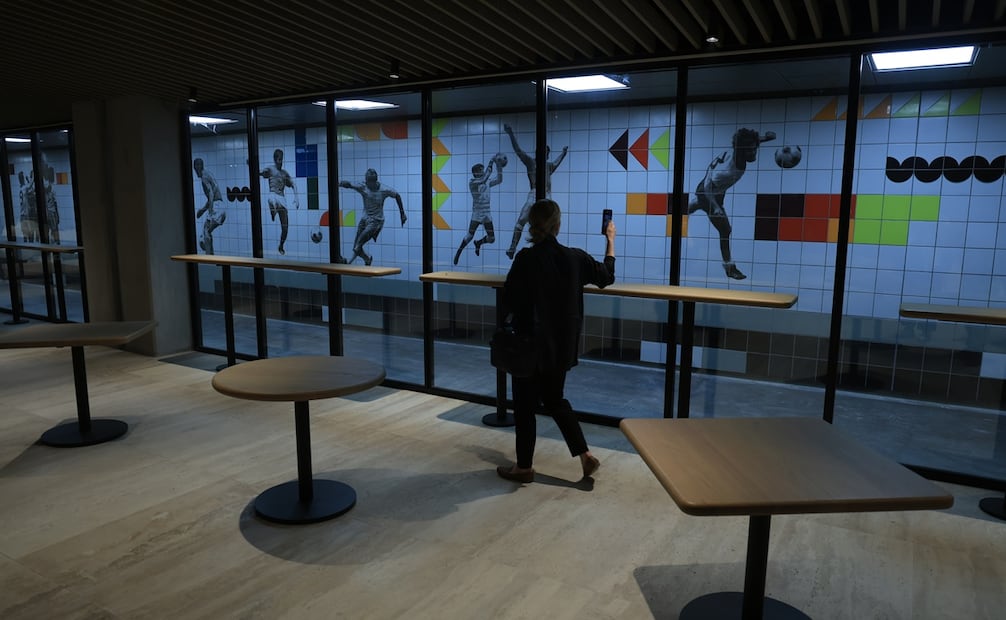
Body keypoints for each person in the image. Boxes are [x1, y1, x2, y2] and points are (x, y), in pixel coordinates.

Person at [496, 198, 616, 483]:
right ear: (558, 225)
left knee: (525, 407)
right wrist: (610, 239)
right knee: (555, 400)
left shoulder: (525, 259)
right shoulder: (575, 258)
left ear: (532, 226)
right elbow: (607, 276)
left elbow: (510, 299)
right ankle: (585, 456)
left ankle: (523, 468)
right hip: (561, 347)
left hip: (529, 346)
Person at [688, 127, 775, 280]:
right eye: (749, 151)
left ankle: (684, 209)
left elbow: (752, 142)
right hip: (708, 194)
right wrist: (715, 207)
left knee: (696, 205)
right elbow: (706, 188)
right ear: (740, 150)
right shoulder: (726, 171)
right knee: (725, 230)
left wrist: (766, 138)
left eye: (754, 150)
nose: (753, 153)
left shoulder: (742, 148)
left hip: (718, 191)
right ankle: (730, 268)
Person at [503, 123, 568, 260]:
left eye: (546, 153)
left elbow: (557, 161)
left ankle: (546, 251)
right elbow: (518, 150)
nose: (544, 154)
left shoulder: (548, 166)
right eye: (542, 152)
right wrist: (510, 134)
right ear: (537, 153)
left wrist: (563, 153)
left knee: (548, 226)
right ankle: (512, 249)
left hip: (547, 197)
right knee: (520, 222)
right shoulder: (531, 162)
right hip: (534, 194)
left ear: (547, 155)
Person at [339, 168, 406, 265]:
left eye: (367, 181)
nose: (365, 183)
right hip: (365, 219)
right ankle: (367, 259)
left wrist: (402, 214)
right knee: (356, 245)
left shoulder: (384, 190)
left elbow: (397, 196)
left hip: (376, 221)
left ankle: (348, 263)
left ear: (374, 182)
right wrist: (339, 183)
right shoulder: (363, 186)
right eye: (365, 181)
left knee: (358, 245)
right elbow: (349, 184)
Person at [454, 154, 504, 265]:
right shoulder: (472, 182)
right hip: (477, 213)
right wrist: (491, 162)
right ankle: (459, 252)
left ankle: (479, 243)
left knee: (492, 239)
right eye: (480, 170)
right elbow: (484, 178)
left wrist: (499, 167)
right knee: (469, 235)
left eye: (482, 169)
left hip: (487, 212)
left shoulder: (487, 182)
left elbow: (500, 180)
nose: (482, 171)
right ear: (475, 173)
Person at [260, 148, 298, 255]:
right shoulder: (270, 169)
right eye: (278, 160)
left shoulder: (284, 173)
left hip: (282, 199)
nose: (280, 162)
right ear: (275, 160)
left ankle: (281, 245)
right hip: (273, 195)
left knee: (285, 228)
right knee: (272, 199)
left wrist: (296, 198)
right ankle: (273, 210)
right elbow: (260, 173)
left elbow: (293, 184)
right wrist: (252, 166)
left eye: (282, 159)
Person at [193, 158, 227, 255]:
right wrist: (203, 210)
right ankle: (211, 255)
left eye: (195, 168)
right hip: (221, 206)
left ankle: (209, 256)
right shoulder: (208, 174)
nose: (195, 171)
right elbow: (212, 194)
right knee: (206, 231)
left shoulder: (204, 177)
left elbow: (211, 194)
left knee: (205, 232)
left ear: (199, 167)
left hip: (216, 206)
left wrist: (211, 210)